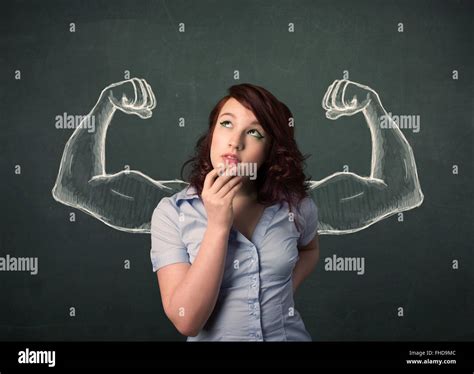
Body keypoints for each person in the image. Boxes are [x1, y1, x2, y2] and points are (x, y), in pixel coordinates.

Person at [151, 83, 319, 341]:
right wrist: (218, 225)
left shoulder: (296, 206)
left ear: (270, 151)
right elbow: (186, 322)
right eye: (226, 124)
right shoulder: (173, 213)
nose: (235, 141)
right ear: (212, 133)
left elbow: (309, 249)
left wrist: (281, 291)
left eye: (254, 132)